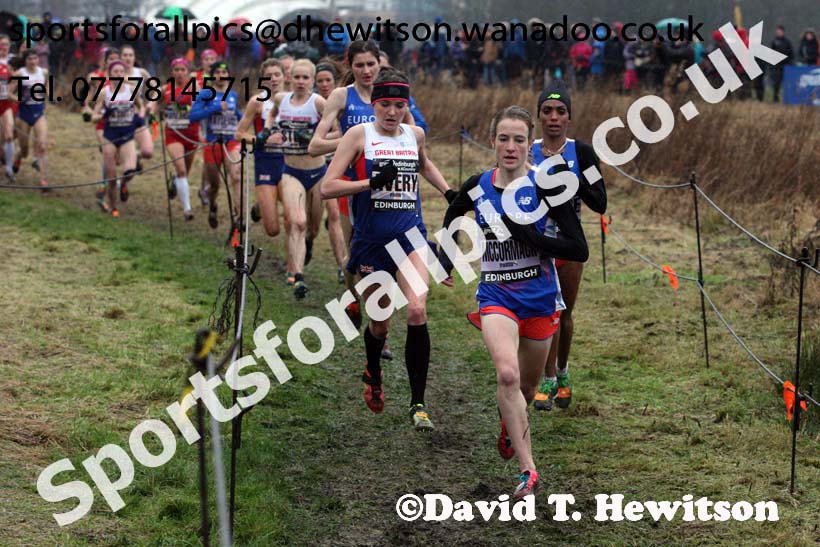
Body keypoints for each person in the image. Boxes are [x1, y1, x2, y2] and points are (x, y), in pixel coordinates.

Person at [440, 105, 588, 498]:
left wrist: (531, 238)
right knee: (506, 375)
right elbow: (453, 213)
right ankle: (529, 471)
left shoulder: (547, 185)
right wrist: (445, 260)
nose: (510, 146)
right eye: (503, 139)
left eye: (519, 139)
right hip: (496, 295)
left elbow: (578, 247)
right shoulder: (479, 185)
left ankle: (511, 422)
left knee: (524, 390)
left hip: (540, 300)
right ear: (492, 142)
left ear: (530, 144)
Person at [320, 67, 455, 430]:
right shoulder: (356, 135)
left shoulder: (415, 134)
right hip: (371, 242)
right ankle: (373, 370)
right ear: (375, 105)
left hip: (410, 236)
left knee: (415, 309)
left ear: (406, 105)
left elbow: (424, 165)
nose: (392, 112)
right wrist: (367, 183)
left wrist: (449, 193)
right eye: (385, 105)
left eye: (399, 104)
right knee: (379, 326)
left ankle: (418, 403)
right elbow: (327, 188)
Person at [309, 41, 416, 355]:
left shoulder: (392, 95)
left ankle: (380, 330)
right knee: (353, 256)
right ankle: (354, 298)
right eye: (360, 65)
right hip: (352, 188)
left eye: (372, 65)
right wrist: (358, 140)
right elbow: (315, 145)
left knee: (389, 258)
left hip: (390, 192)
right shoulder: (342, 97)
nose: (367, 71)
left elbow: (414, 135)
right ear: (350, 66)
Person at [528, 81, 607, 412]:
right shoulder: (526, 149)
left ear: (569, 118)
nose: (554, 118)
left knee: (565, 313)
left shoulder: (582, 153)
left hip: (570, 245)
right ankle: (545, 378)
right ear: (539, 117)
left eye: (561, 112)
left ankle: (562, 371)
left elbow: (600, 202)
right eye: (547, 111)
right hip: (535, 244)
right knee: (545, 312)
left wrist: (573, 182)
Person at [260, 59, 326, 299]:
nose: (300, 82)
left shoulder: (318, 102)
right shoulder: (281, 100)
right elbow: (272, 116)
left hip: (318, 173)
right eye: (296, 77)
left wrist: (311, 136)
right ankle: (298, 277)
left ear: (312, 80)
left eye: (305, 78)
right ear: (290, 78)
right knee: (297, 221)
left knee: (313, 227)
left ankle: (309, 242)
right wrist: (269, 131)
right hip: (291, 171)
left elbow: (338, 129)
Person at [235, 58, 286, 238]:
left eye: (277, 75)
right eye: (268, 76)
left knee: (292, 219)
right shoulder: (257, 102)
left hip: (289, 164)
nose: (273, 79)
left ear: (284, 77)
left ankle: (293, 264)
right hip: (265, 163)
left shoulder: (294, 100)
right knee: (272, 230)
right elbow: (239, 134)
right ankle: (259, 207)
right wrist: (262, 140)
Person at [189, 61, 242, 229]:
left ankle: (239, 216)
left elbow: (237, 115)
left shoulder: (233, 94)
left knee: (236, 176)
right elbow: (193, 116)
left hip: (231, 141)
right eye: (217, 72)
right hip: (212, 143)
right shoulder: (206, 94)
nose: (221, 75)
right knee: (215, 185)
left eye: (224, 72)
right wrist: (216, 107)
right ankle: (212, 206)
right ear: (212, 76)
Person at [90, 60, 143, 217]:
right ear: (110, 75)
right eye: (115, 72)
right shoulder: (104, 92)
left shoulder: (132, 90)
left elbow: (141, 107)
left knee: (130, 171)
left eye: (121, 72)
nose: (118, 74)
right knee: (111, 177)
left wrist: (139, 118)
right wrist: (101, 116)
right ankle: (114, 207)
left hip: (127, 134)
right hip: (110, 135)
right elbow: (94, 116)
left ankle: (124, 184)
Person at [154, 57, 200, 220]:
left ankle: (175, 182)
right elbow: (155, 105)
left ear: (188, 72)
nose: (180, 73)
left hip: (192, 135)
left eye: (183, 70)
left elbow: (203, 106)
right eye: (176, 70)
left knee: (184, 173)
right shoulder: (165, 89)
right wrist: (153, 115)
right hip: (173, 134)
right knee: (181, 169)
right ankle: (187, 209)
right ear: (172, 72)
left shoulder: (195, 87)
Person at [314, 60, 347, 283]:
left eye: (328, 80)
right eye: (320, 81)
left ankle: (341, 265)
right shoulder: (313, 103)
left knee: (335, 215)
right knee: (310, 222)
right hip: (315, 165)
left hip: (337, 165)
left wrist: (342, 141)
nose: (325, 85)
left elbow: (345, 132)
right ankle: (308, 241)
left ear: (335, 81)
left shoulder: (343, 102)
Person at [12, 49, 49, 189]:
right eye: (30, 59)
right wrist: (19, 98)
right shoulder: (20, 73)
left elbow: (47, 88)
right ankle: (18, 156)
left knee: (42, 146)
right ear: (25, 60)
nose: (33, 62)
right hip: (24, 114)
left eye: (35, 58)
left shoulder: (43, 72)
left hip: (39, 112)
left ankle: (44, 181)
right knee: (25, 150)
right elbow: (9, 93)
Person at [120, 45, 154, 168]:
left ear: (134, 58)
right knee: (117, 158)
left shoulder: (141, 72)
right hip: (119, 118)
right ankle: (113, 182)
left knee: (147, 152)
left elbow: (157, 88)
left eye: (130, 55)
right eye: (125, 55)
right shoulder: (115, 72)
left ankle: (136, 156)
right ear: (120, 58)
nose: (128, 58)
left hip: (137, 115)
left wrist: (151, 102)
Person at [0, 34, 18, 181]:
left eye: (5, 44)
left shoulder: (14, 61)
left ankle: (9, 169)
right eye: (1, 45)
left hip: (7, 103)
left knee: (9, 134)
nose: (3, 48)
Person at [770, 25, 793, 103]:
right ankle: (775, 99)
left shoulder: (787, 42)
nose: (778, 32)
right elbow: (771, 54)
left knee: (787, 84)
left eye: (780, 31)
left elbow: (791, 54)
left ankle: (787, 100)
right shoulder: (774, 41)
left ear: (783, 32)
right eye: (777, 31)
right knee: (776, 84)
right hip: (777, 66)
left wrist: (789, 63)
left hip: (786, 66)